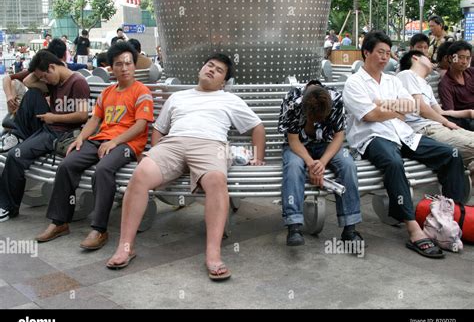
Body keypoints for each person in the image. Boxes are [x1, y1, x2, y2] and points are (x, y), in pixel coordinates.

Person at [106, 53, 266, 280]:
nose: (211, 70)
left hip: (210, 145)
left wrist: (258, 156)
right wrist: (155, 151)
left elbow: (257, 126)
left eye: (219, 70)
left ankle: (213, 254)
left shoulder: (229, 99)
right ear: (201, 68)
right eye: (209, 65)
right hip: (173, 143)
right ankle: (126, 247)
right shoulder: (178, 97)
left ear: (223, 81)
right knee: (140, 174)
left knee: (216, 181)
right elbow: (160, 129)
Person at [343, 31, 466, 259]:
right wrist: (392, 110)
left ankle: (449, 217)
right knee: (393, 162)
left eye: (388, 53)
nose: (384, 57)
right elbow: (369, 116)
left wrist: (383, 105)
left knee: (451, 154)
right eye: (380, 52)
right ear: (366, 52)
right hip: (372, 138)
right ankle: (414, 229)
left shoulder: (392, 79)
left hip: (403, 134)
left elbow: (411, 107)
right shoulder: (354, 83)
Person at [35, 42, 154, 249]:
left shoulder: (141, 91)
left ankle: (99, 229)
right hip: (100, 140)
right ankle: (59, 222)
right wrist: (81, 138)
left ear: (134, 66)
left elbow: (141, 125)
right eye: (119, 64)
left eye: (128, 63)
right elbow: (94, 120)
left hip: (128, 144)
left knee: (103, 169)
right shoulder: (107, 92)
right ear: (112, 68)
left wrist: (115, 141)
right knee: (67, 165)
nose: (124, 68)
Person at [0, 50, 90, 222]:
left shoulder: (78, 82)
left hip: (60, 134)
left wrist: (53, 117)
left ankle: (8, 207)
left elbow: (82, 115)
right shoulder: (55, 80)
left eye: (44, 77)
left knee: (15, 156)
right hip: (48, 128)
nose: (43, 81)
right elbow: (28, 81)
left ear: (51, 67)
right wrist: (40, 71)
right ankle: (18, 135)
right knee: (32, 94)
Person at [279, 80, 363, 247]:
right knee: (294, 167)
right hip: (298, 146)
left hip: (326, 143)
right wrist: (311, 164)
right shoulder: (292, 101)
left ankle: (350, 228)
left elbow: (339, 136)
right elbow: (293, 140)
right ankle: (294, 226)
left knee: (348, 164)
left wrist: (322, 163)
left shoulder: (336, 99)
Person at [397, 50, 474, 174]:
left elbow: (440, 112)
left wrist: (469, 112)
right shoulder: (407, 75)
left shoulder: (426, 85)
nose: (431, 60)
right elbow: (420, 108)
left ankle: (467, 181)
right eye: (427, 57)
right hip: (424, 131)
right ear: (415, 58)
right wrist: (447, 123)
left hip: (440, 127)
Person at [438, 40, 474, 131]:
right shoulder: (445, 84)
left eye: (467, 58)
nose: (464, 62)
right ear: (450, 58)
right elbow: (450, 113)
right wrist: (469, 113)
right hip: (466, 121)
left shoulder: (471, 73)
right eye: (461, 57)